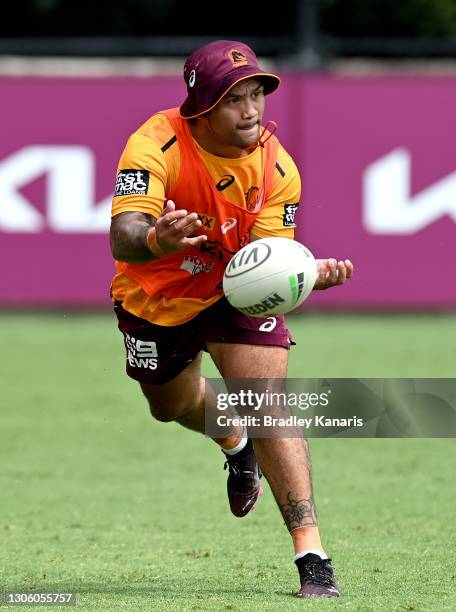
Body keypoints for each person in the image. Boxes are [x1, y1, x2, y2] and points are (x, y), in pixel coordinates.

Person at [109, 40, 353, 598]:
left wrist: (302, 274)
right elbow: (121, 236)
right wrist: (155, 237)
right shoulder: (156, 143)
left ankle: (312, 555)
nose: (251, 111)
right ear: (201, 105)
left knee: (265, 400)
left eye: (256, 95)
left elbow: (265, 262)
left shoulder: (276, 165)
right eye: (233, 100)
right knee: (169, 407)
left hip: (235, 293)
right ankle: (234, 444)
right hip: (159, 297)